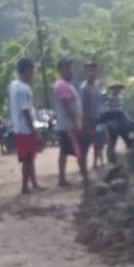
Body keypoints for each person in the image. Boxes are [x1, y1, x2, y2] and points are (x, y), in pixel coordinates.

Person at [53, 57, 88, 187]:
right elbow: (67, 105)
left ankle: (62, 178)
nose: (70, 71)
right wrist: (75, 122)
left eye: (70, 68)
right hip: (69, 125)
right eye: (67, 68)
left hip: (66, 124)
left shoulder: (65, 84)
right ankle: (85, 177)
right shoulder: (62, 85)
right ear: (61, 70)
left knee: (64, 151)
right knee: (80, 150)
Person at [9, 58, 41, 193]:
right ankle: (25, 186)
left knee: (28, 158)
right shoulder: (23, 88)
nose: (33, 73)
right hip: (25, 129)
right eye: (32, 70)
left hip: (18, 128)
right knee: (28, 158)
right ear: (27, 70)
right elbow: (26, 110)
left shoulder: (13, 85)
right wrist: (33, 129)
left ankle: (33, 183)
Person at [98, 84, 134, 163]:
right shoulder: (108, 99)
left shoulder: (121, 99)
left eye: (118, 89)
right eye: (115, 89)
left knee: (126, 139)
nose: (117, 90)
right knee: (112, 142)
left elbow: (125, 111)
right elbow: (107, 111)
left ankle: (130, 156)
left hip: (121, 124)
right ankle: (110, 160)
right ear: (112, 90)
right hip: (112, 124)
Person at [79, 60, 104, 169]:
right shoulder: (84, 88)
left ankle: (98, 163)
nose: (91, 72)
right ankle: (83, 167)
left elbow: (100, 101)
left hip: (98, 117)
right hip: (89, 119)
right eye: (88, 70)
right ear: (85, 72)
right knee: (86, 144)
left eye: (92, 70)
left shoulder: (97, 84)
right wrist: (85, 122)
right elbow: (84, 106)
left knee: (99, 142)